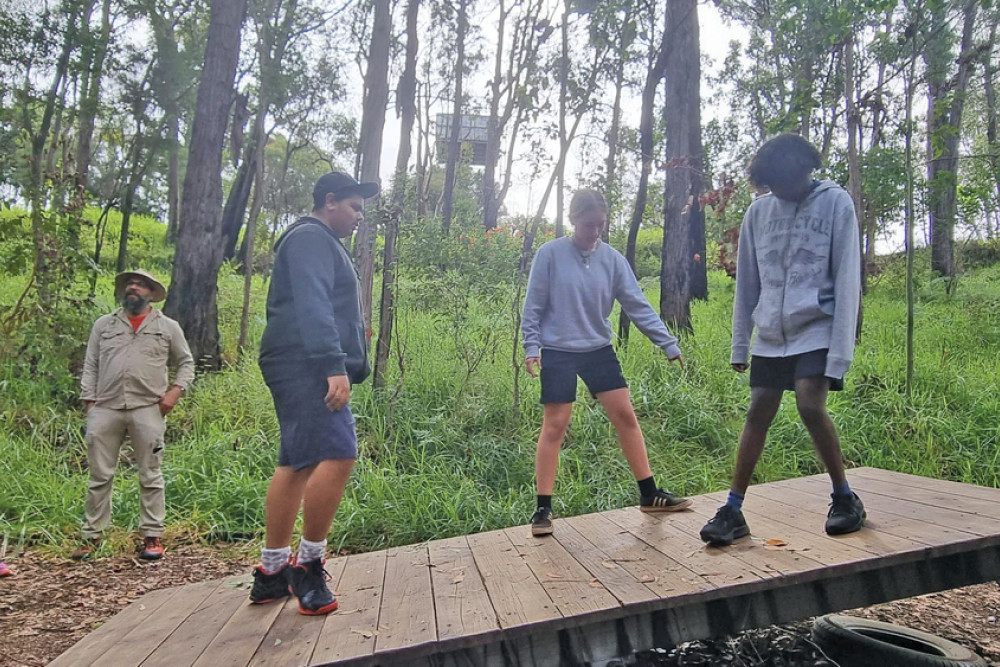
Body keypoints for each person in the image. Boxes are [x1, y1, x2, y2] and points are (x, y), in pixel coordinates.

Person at [699, 133, 865, 547]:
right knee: (758, 410)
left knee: (810, 403)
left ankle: (845, 498)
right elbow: (748, 283)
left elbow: (848, 280)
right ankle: (733, 510)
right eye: (769, 186)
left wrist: (841, 351)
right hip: (771, 332)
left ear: (805, 173)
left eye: (783, 184)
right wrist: (741, 343)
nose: (778, 192)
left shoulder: (835, 204)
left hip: (817, 325)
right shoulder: (759, 212)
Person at [521, 188, 691, 537]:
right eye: (588, 225)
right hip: (558, 350)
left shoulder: (612, 260)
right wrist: (531, 347)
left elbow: (637, 304)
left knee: (625, 415)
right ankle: (543, 509)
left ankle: (650, 494)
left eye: (601, 225)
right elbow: (533, 305)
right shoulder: (550, 254)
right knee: (556, 424)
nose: (595, 232)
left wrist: (667, 343)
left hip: (598, 349)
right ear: (573, 221)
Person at [248, 171, 377, 616]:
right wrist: (332, 365)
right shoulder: (310, 238)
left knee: (297, 461)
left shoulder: (315, 242)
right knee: (339, 454)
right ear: (329, 201)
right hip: (305, 364)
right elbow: (313, 303)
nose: (360, 216)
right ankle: (307, 566)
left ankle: (270, 574)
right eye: (355, 207)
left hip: (295, 361)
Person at [75, 270, 195, 560]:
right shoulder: (104, 325)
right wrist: (89, 402)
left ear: (152, 294)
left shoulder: (167, 327)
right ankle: (92, 537)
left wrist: (174, 393)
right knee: (99, 476)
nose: (133, 288)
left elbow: (186, 363)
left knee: (150, 474)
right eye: (130, 284)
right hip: (105, 408)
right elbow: (90, 364)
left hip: (148, 409)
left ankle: (152, 536)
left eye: (142, 285)